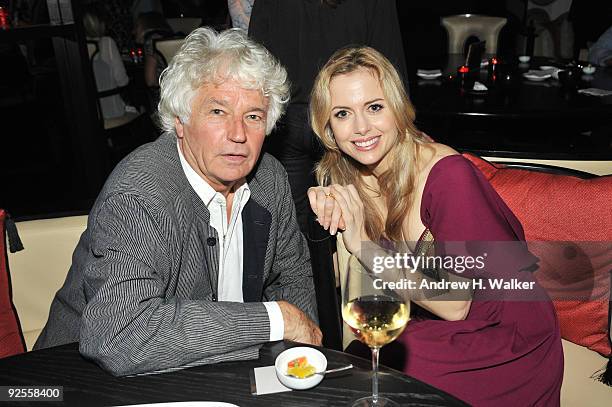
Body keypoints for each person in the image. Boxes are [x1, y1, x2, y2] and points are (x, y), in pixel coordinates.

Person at [34, 27, 321, 376]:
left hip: (206, 372)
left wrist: (300, 366)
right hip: (79, 382)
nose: (238, 134)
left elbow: (293, 279)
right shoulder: (140, 195)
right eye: (218, 112)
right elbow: (119, 335)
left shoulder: (269, 179)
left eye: (253, 116)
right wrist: (274, 319)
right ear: (180, 120)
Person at [307, 46, 563, 405]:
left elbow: (456, 303)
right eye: (343, 113)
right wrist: (325, 222)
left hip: (506, 335)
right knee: (359, 370)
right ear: (328, 127)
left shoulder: (448, 176)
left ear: (397, 108)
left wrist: (363, 243)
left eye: (374, 107)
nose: (361, 127)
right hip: (436, 324)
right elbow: (336, 277)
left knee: (371, 375)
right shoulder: (351, 177)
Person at [248, 0, 407, 350]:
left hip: (303, 118)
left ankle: (313, 341)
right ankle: (338, 339)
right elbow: (389, 60)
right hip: (348, 115)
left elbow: (257, 59)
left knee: (302, 237)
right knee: (348, 225)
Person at [83, 5, 134, 120]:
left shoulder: (74, 47)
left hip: (86, 114)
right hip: (111, 111)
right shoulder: (107, 43)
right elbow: (122, 81)